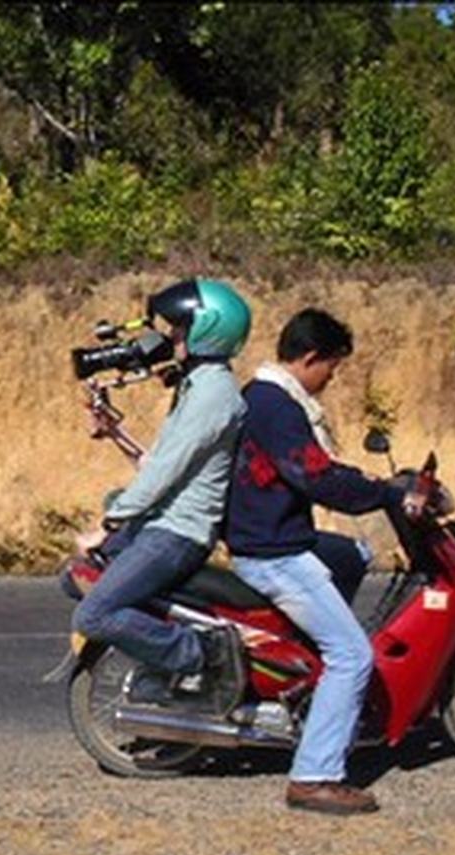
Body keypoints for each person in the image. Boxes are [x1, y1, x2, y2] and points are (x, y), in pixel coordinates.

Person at [224, 308, 426, 815]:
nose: (331, 379)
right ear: (310, 359)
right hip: (273, 552)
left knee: (352, 553)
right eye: (331, 368)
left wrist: (377, 486)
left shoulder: (269, 396)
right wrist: (383, 493)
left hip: (275, 537)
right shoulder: (276, 406)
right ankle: (314, 776)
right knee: (353, 656)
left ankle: (310, 671)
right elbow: (314, 476)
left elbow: (319, 471)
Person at [72, 278, 252, 708]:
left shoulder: (213, 394)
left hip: (177, 535)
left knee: (94, 614)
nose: (170, 337)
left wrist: (110, 524)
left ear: (207, 330)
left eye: (179, 329)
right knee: (73, 575)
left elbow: (166, 472)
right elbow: (163, 462)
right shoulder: (196, 386)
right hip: (160, 524)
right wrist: (114, 431)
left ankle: (198, 654)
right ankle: (159, 660)